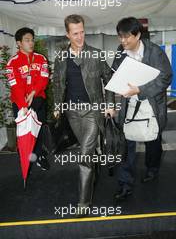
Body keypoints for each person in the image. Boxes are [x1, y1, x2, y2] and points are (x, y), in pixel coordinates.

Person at [53, 14, 115, 216]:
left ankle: (83, 202)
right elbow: (57, 84)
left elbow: (110, 80)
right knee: (86, 150)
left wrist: (110, 105)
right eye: (75, 33)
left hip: (92, 112)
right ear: (67, 34)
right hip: (71, 113)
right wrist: (57, 106)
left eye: (82, 32)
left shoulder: (96, 54)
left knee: (83, 156)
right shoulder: (61, 58)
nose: (80, 37)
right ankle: (93, 167)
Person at [112, 17, 172, 200]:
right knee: (126, 146)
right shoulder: (120, 52)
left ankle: (152, 168)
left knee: (153, 142)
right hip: (128, 106)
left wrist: (140, 89)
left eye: (126, 37)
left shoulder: (154, 52)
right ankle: (125, 184)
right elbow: (115, 73)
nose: (123, 41)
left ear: (137, 35)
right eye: (120, 37)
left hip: (151, 106)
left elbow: (166, 77)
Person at [5, 27, 50, 170]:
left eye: (32, 40)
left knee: (39, 130)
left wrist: (33, 93)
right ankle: (26, 158)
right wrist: (23, 104)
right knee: (25, 133)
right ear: (19, 43)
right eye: (27, 40)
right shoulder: (12, 62)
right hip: (20, 103)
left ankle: (39, 155)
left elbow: (44, 79)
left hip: (38, 99)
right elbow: (15, 86)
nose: (31, 43)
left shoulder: (41, 58)